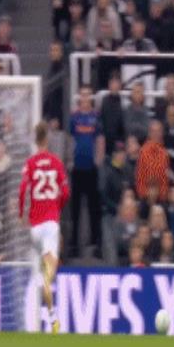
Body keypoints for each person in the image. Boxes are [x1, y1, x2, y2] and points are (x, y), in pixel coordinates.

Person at [18, 122, 69, 333]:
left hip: (34, 227)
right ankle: (52, 317)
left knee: (39, 267)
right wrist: (57, 207)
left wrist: (21, 214)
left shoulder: (30, 163)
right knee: (49, 274)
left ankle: (36, 308)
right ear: (47, 139)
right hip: (50, 225)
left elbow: (22, 190)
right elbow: (66, 192)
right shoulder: (57, 163)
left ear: (35, 139)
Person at [69, 86, 104, 258]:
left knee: (93, 208)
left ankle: (95, 243)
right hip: (77, 169)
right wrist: (69, 160)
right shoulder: (74, 117)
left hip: (91, 169)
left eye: (88, 95)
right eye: (82, 94)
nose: (85, 97)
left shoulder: (96, 117)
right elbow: (70, 139)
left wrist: (98, 161)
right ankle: (74, 245)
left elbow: (100, 139)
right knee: (75, 209)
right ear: (79, 97)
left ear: (91, 97)